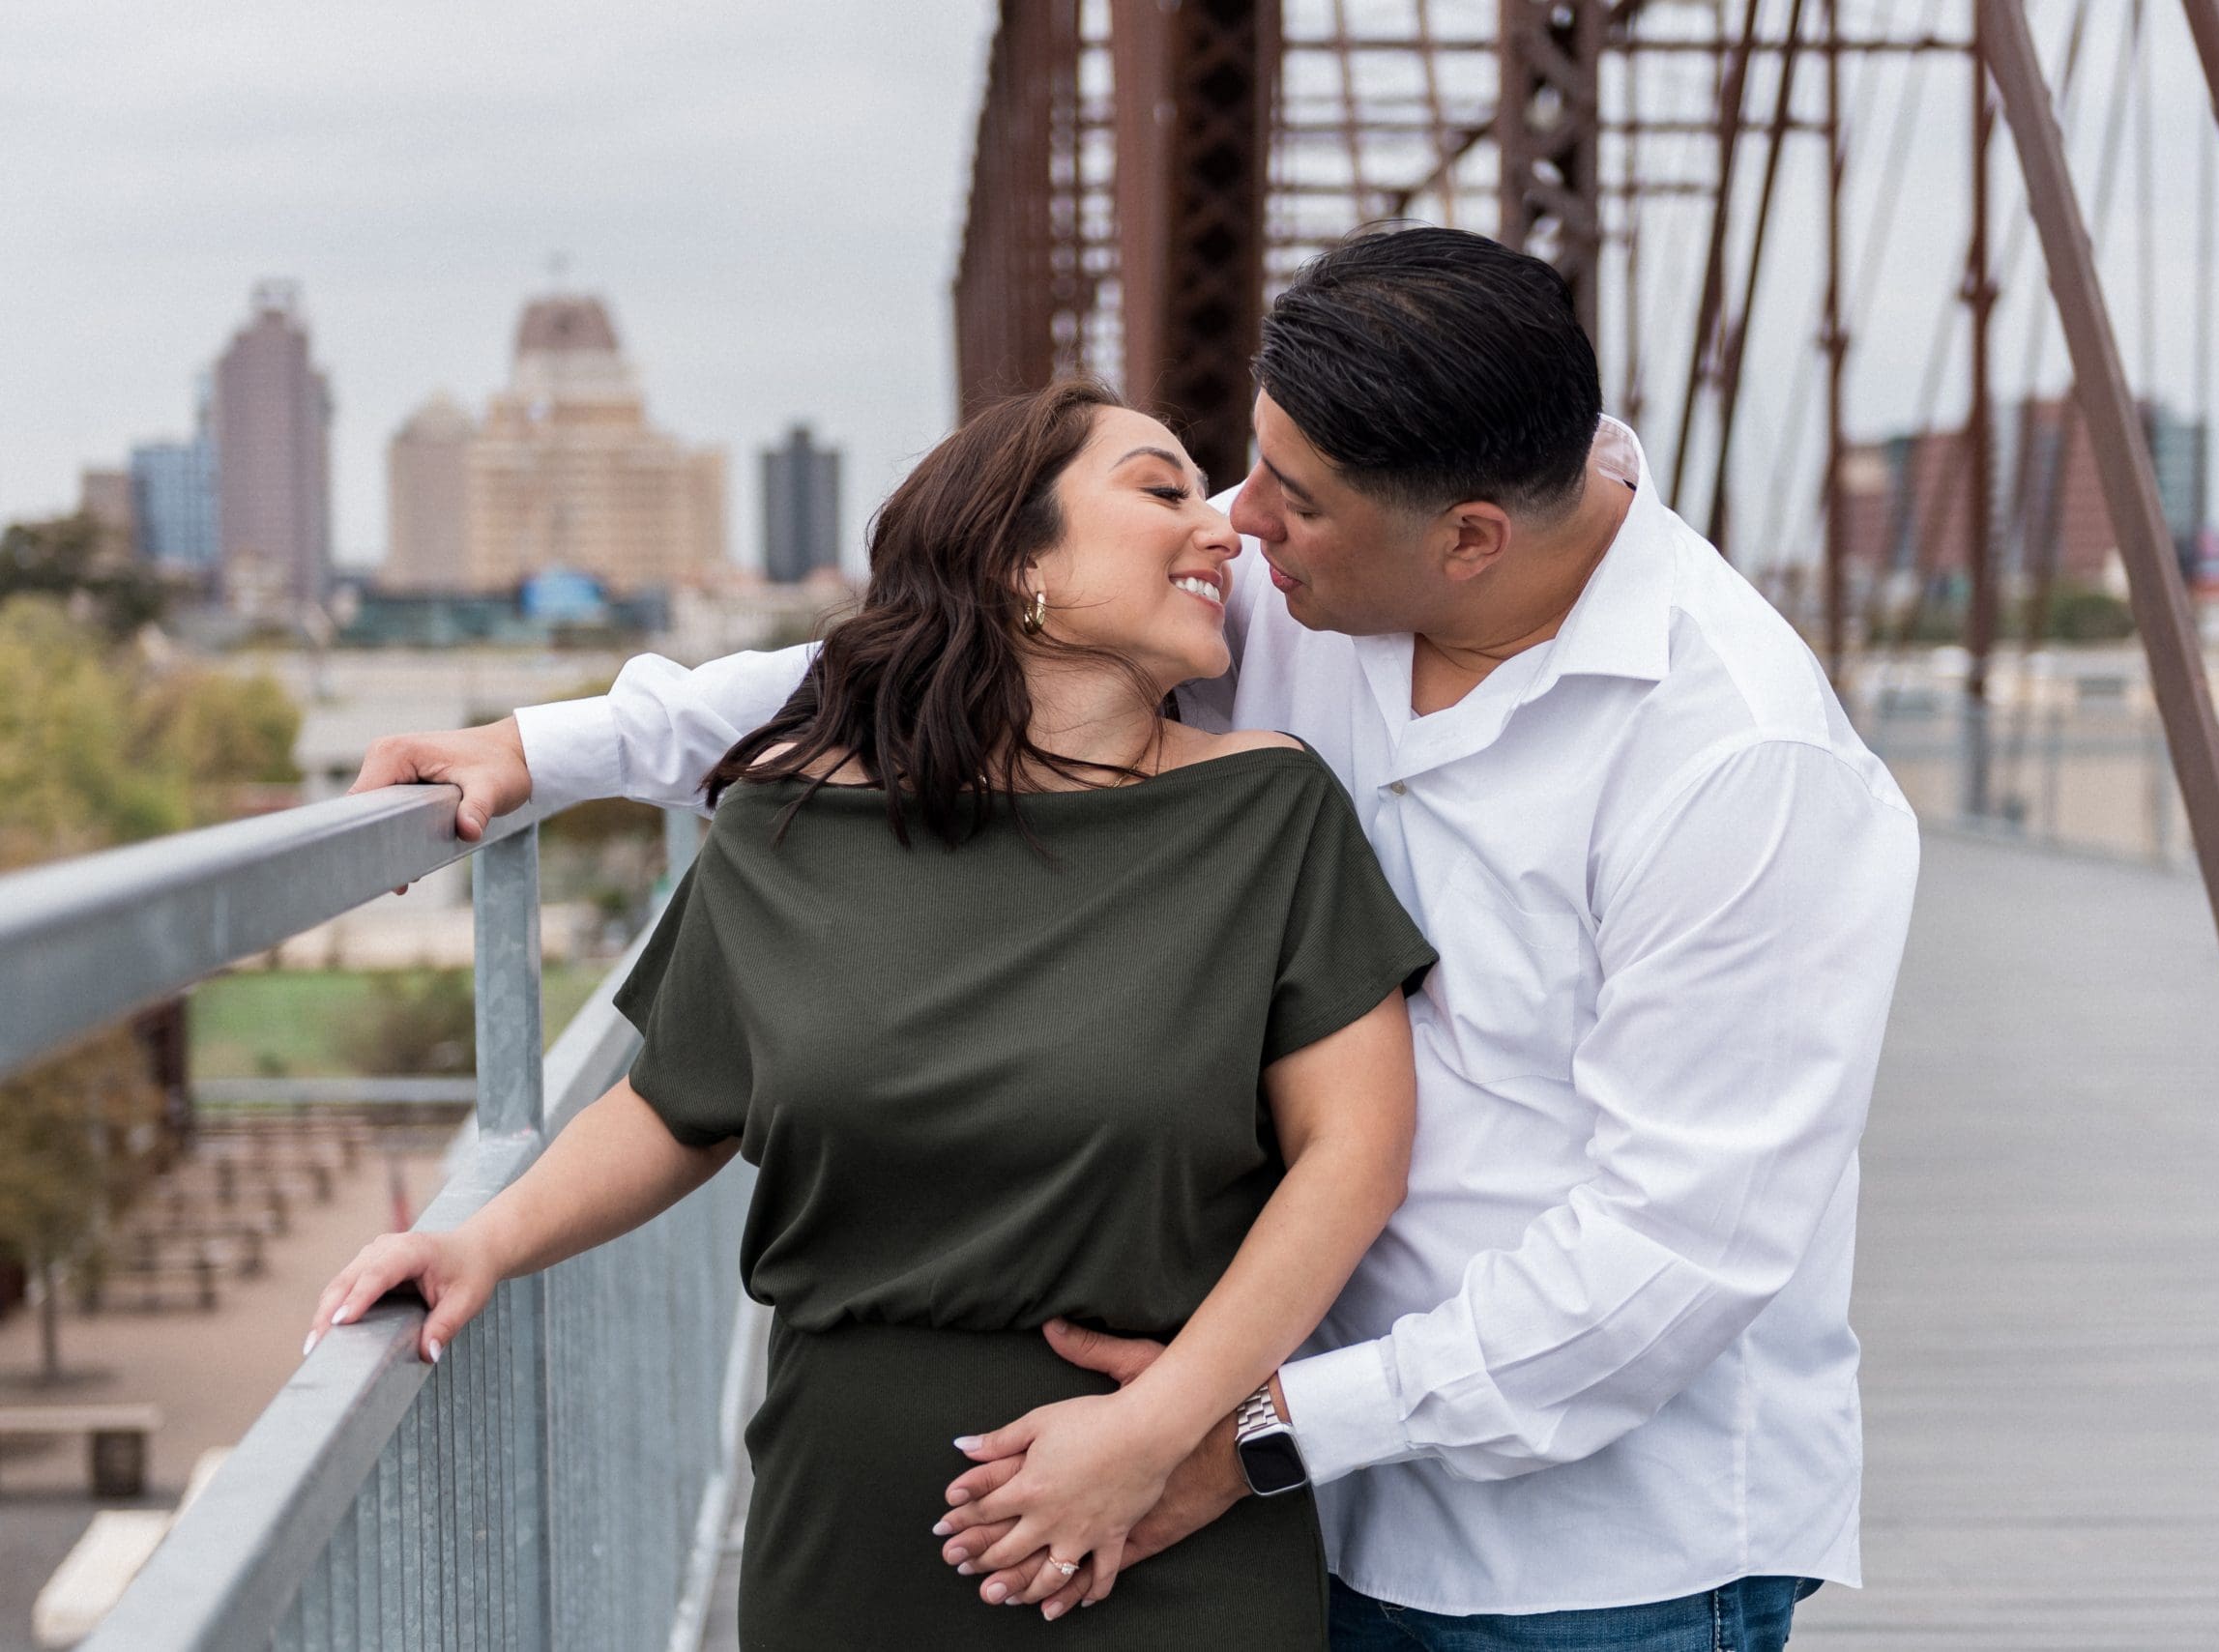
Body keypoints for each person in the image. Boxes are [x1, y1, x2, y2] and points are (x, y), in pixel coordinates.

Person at [353, 226, 1919, 1652]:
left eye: (1288, 500)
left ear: (1468, 540)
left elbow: (1669, 1257)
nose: (1242, 523)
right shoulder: (1308, 575)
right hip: (1252, 1483)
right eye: (1238, 473)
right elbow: (931, 649)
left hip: (1575, 1563)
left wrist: (1245, 1433)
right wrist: (552, 748)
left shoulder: (1742, 764)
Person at [307, 379, 1437, 1649]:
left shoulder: (1269, 810)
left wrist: (1159, 1427)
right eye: (1161, 490)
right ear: (1015, 561)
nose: (1223, 528)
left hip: (1160, 1517)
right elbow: (676, 1104)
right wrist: (480, 1244)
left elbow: (1357, 1151)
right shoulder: (789, 823)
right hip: (848, 1535)